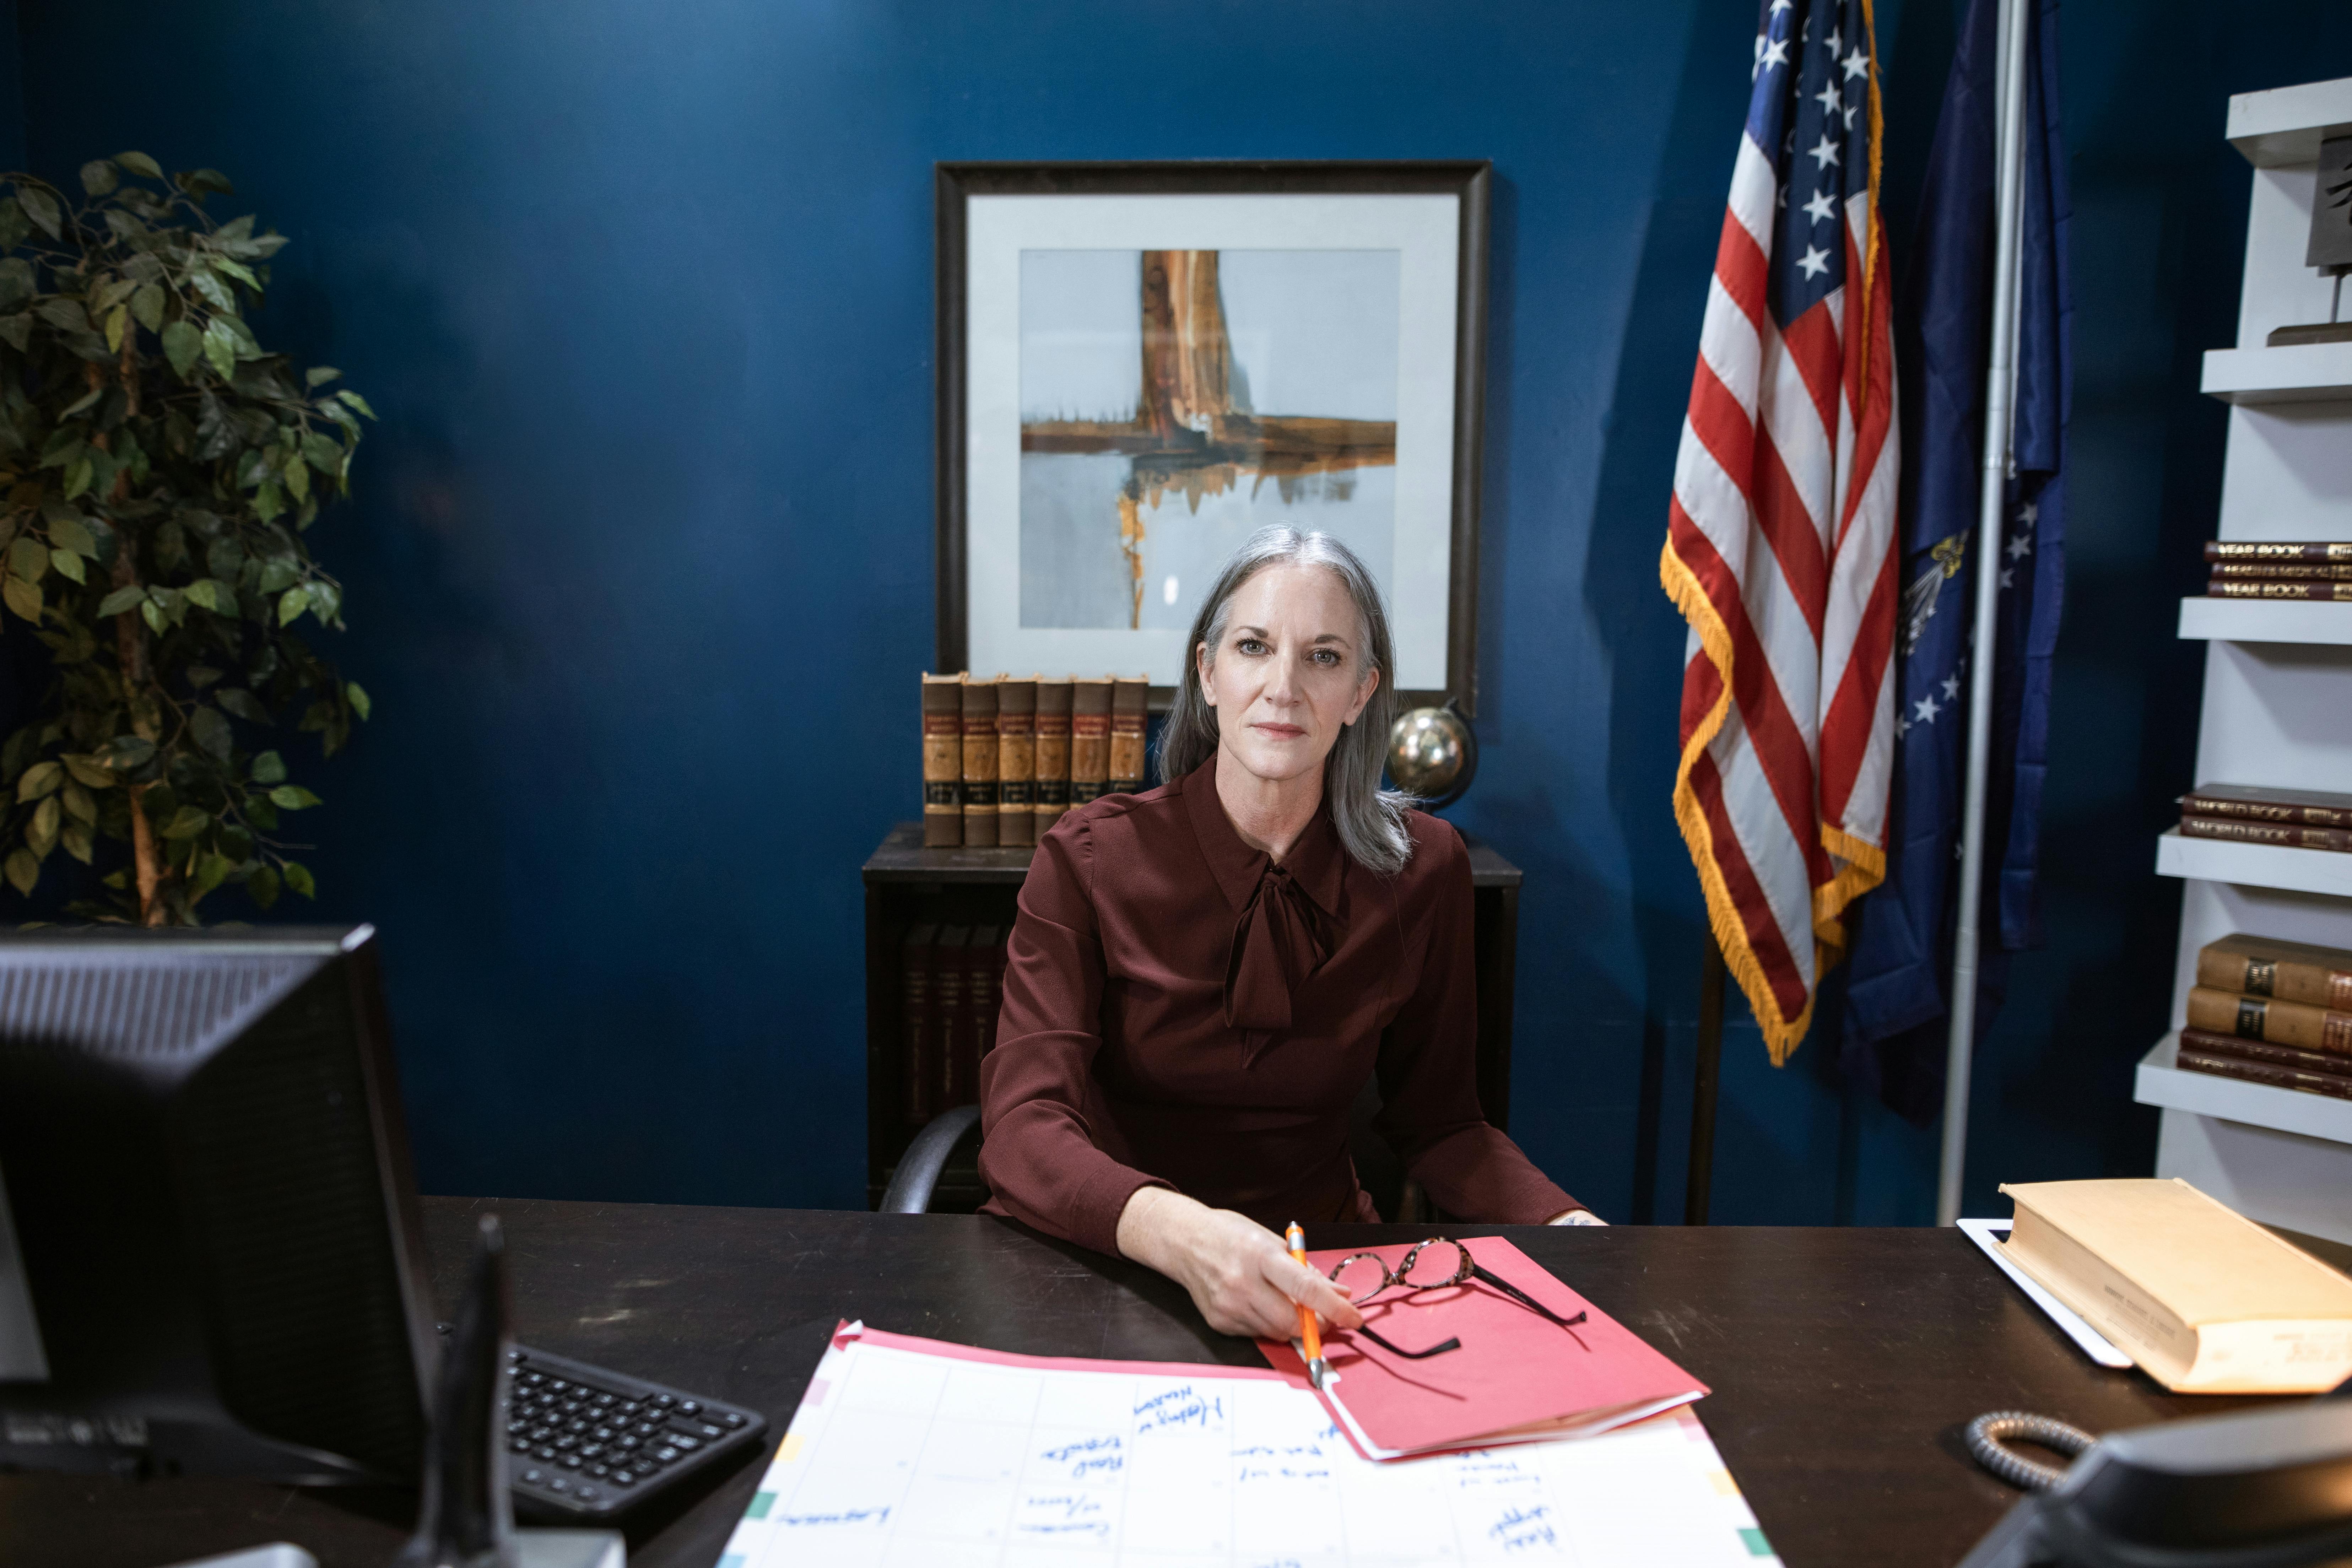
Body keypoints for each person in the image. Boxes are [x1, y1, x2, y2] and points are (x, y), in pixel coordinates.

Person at [978, 526, 1599, 1345]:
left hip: (1324, 1280)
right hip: (1112, 1263)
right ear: (1207, 672)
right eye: (1252, 646)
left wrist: (1575, 1230)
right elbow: (1024, 1128)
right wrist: (1191, 1237)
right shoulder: (1088, 857)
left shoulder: (1424, 871)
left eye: (1324, 657)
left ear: (1361, 694)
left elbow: (1442, 1124)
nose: (1282, 687)